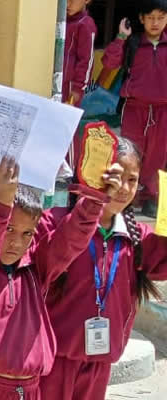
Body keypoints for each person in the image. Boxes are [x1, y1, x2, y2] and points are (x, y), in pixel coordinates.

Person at [0, 157, 119, 400]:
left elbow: (69, 239)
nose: (16, 243)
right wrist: (3, 200)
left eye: (27, 233)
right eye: (8, 229)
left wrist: (94, 200)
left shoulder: (37, 270)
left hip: (29, 390)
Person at [40, 136, 167, 399]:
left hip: (100, 363)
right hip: (53, 360)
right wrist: (92, 204)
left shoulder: (136, 237)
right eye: (114, 177)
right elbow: (50, 259)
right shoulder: (55, 222)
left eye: (132, 180)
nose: (123, 188)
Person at [102, 0, 167, 214]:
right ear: (141, 19)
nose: (155, 23)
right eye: (150, 18)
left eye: (161, 18)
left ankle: (151, 197)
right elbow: (109, 63)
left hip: (163, 110)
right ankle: (127, 197)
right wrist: (121, 37)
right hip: (134, 108)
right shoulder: (134, 44)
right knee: (131, 153)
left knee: (158, 156)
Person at [64, 0, 97, 105]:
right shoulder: (61, 21)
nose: (67, 4)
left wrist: (78, 89)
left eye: (72, 0)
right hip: (54, 83)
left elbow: (86, 60)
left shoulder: (85, 24)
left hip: (70, 88)